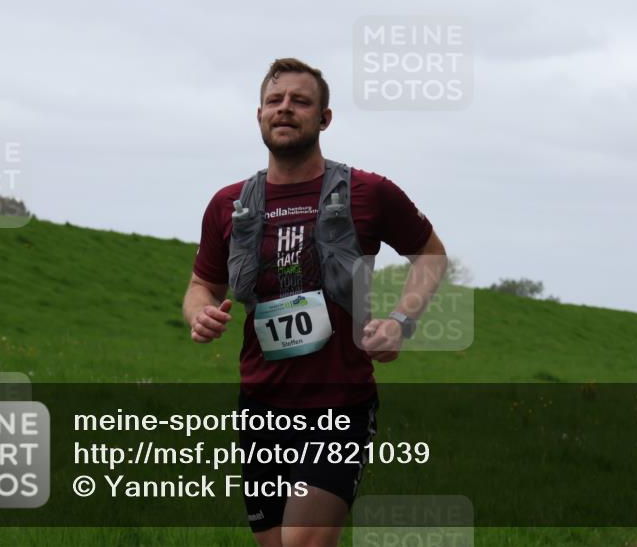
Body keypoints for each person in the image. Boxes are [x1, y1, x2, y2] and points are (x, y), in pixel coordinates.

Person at [182, 58, 447, 547]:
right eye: (274, 101)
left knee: (301, 542)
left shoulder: (369, 192)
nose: (285, 109)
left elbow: (430, 256)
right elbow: (203, 284)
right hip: (261, 405)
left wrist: (401, 321)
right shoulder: (229, 204)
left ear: (325, 118)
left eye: (300, 102)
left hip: (338, 404)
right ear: (259, 115)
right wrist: (199, 312)